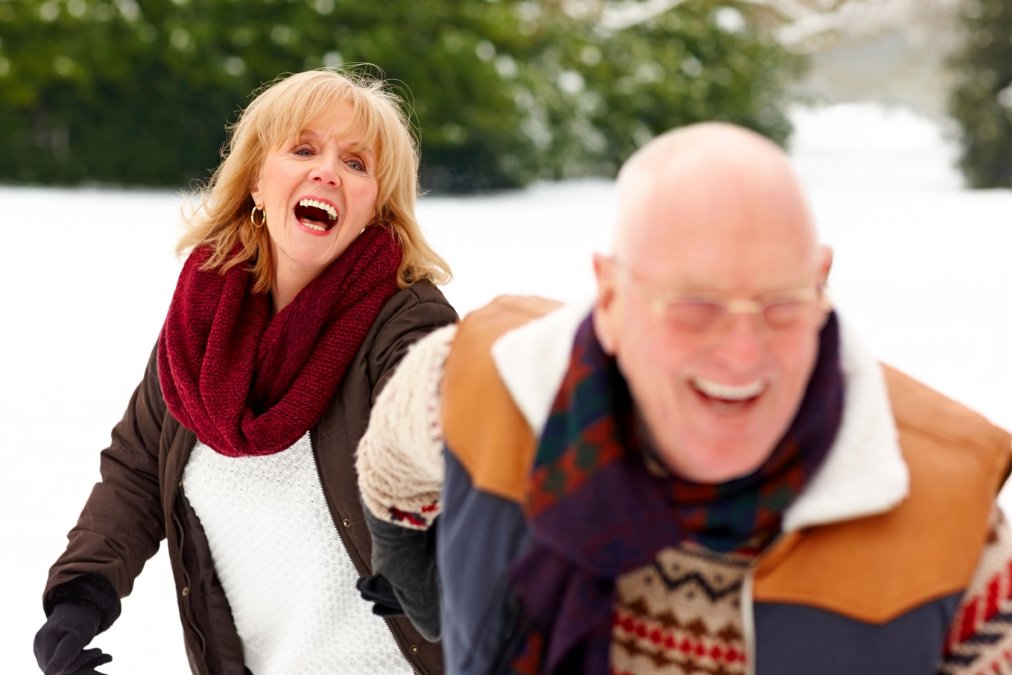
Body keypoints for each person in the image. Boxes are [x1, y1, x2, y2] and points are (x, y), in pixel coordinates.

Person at [355, 122, 1012, 674]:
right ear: (610, 297)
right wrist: (429, 593)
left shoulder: (953, 528)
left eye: (781, 304)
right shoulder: (483, 379)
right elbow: (389, 462)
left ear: (820, 282)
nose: (742, 352)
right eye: (695, 305)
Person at [34, 67, 457, 675]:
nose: (328, 172)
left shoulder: (407, 325)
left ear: (376, 209)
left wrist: (428, 546)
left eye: (357, 164)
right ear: (257, 181)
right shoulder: (200, 329)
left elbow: (448, 441)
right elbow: (135, 470)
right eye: (304, 149)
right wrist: (80, 598)